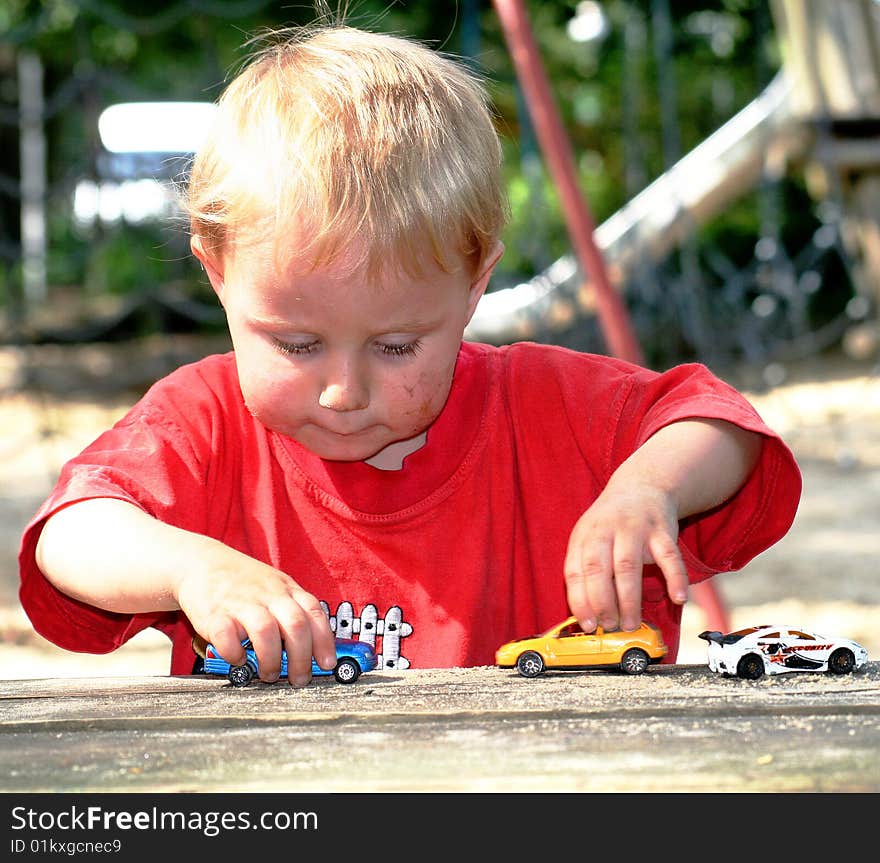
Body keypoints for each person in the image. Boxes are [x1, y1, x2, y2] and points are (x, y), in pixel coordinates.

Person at [18, 22, 801, 686]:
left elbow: (721, 425)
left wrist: (647, 489)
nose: (343, 390)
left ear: (473, 286)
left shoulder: (549, 408)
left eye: (395, 345)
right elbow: (70, 534)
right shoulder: (206, 422)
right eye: (296, 343)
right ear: (217, 274)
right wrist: (193, 569)